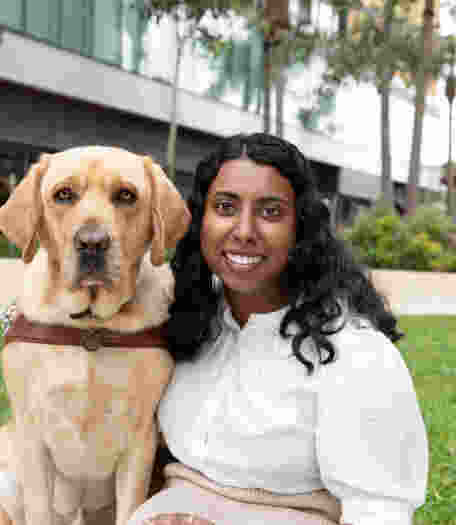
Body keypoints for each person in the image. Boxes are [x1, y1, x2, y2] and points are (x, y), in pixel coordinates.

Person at [131, 132, 429, 525]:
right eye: (225, 207)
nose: (244, 230)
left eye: (270, 212)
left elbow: (379, 511)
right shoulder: (186, 316)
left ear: (301, 226)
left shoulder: (355, 354)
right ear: (200, 218)